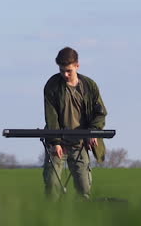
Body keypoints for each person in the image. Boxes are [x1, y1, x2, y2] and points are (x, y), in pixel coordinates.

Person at [42, 46, 107, 199]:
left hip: (80, 143)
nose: (65, 74)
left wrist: (93, 132)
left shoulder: (89, 86)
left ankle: (81, 212)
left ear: (77, 66)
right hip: (58, 143)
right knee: (52, 183)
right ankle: (51, 212)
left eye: (69, 71)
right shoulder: (52, 85)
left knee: (84, 187)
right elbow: (51, 116)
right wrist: (56, 142)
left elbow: (100, 113)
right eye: (61, 70)